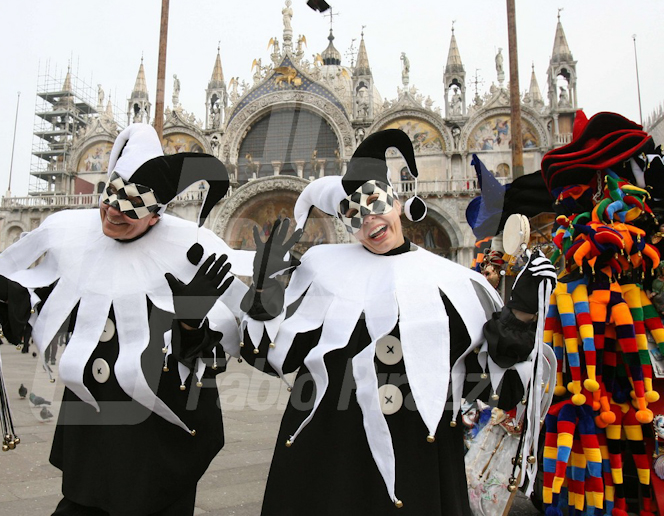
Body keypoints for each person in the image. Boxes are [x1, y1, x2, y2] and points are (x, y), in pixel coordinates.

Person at [238, 129, 556, 515]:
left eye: (375, 200)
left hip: (417, 464)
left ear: (398, 199)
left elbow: (497, 388)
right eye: (352, 213)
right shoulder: (321, 269)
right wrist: (262, 292)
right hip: (325, 458)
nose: (368, 218)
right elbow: (273, 358)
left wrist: (520, 314)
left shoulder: (458, 283)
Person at [0, 123, 253, 515]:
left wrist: (190, 322)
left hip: (156, 435)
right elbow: (38, 304)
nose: (113, 212)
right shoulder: (75, 240)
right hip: (92, 425)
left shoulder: (191, 254)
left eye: (131, 205)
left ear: (155, 214)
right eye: (110, 196)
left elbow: (216, 358)